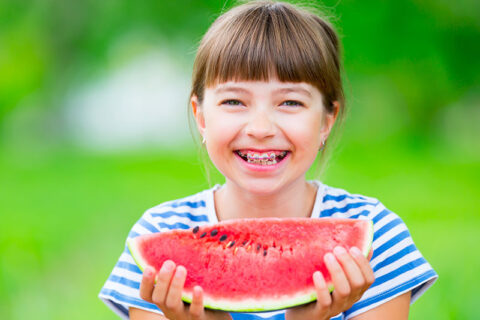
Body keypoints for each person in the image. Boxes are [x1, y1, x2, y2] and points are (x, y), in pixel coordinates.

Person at [99, 1, 437, 319]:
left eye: (290, 102)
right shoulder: (160, 234)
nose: (261, 129)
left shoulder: (378, 238)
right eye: (234, 101)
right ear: (200, 116)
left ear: (326, 121)